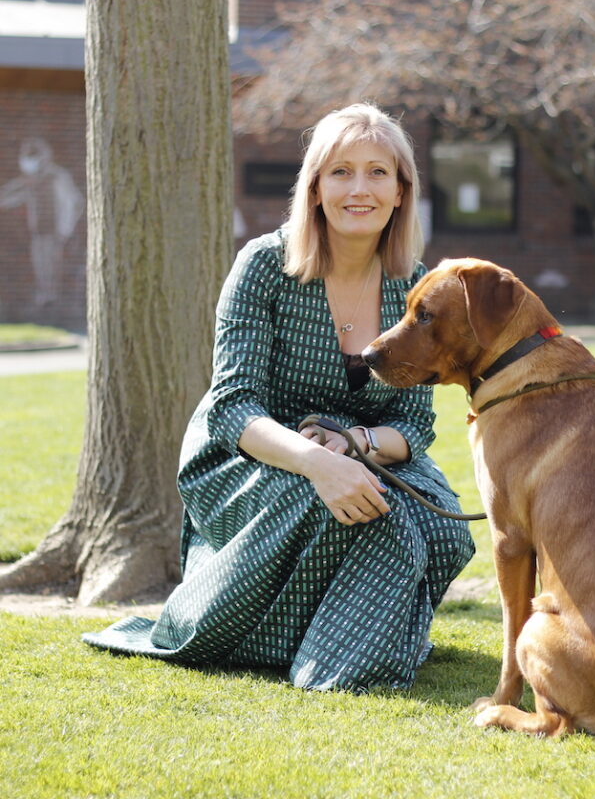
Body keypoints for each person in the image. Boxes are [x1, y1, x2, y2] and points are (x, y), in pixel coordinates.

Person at [83, 103, 475, 691]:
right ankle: (327, 661)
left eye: (377, 173)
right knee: (371, 517)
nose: (359, 189)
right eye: (340, 172)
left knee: (446, 532)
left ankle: (328, 634)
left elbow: (413, 424)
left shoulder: (412, 287)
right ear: (315, 189)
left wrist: (354, 444)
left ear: (401, 191)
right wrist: (317, 463)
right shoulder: (264, 267)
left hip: (359, 450)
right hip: (247, 453)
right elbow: (232, 404)